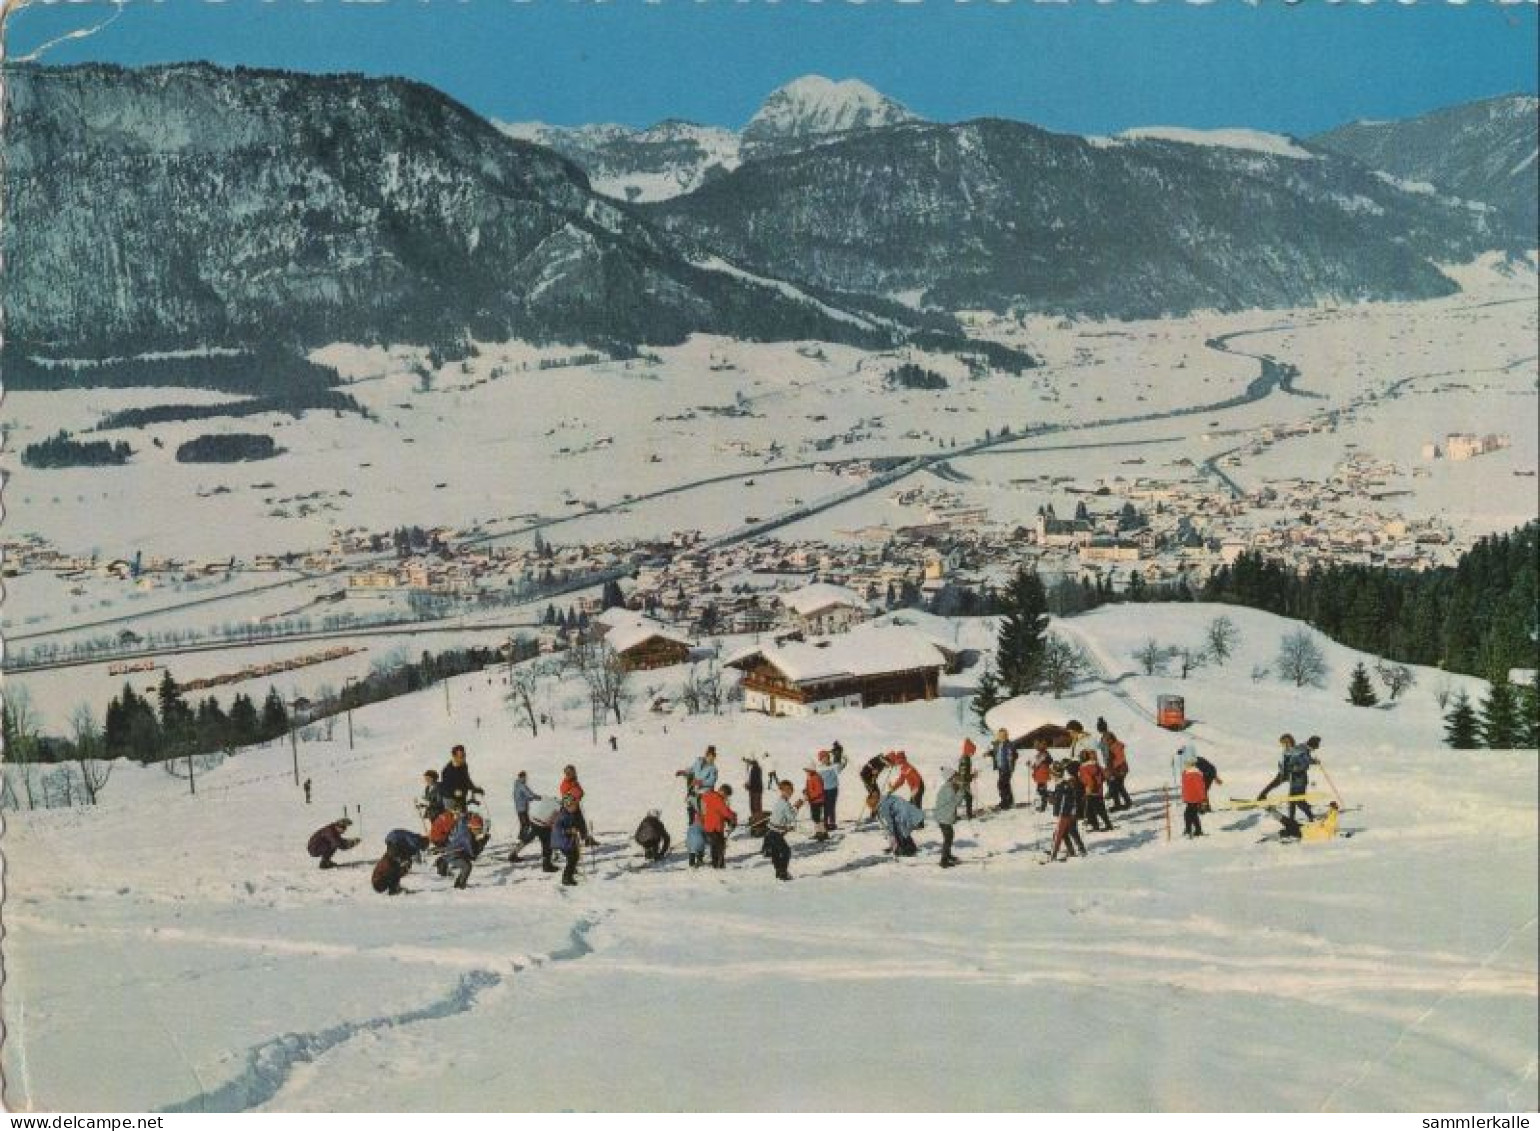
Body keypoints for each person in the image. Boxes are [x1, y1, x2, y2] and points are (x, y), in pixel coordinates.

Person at [1257, 733, 1317, 822]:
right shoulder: (1288, 750)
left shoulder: (1296, 750)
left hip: (1296, 777)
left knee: (1296, 800)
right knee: (1291, 797)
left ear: (1287, 742)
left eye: (1283, 743)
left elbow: (1304, 760)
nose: (1282, 746)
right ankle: (1262, 796)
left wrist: (1311, 761)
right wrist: (1282, 766)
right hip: (1287, 774)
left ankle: (1305, 816)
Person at [434, 811, 488, 890]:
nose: (479, 832)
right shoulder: (468, 838)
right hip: (451, 855)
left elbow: (463, 820)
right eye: (478, 829)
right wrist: (483, 842)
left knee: (466, 864)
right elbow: (474, 854)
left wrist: (468, 815)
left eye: (480, 829)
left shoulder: (464, 827)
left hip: (455, 852)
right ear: (472, 827)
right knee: (467, 866)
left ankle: (458, 883)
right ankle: (461, 885)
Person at [510, 793, 561, 871]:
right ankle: (546, 865)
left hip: (533, 819)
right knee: (547, 843)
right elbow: (552, 822)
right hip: (542, 823)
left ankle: (513, 854)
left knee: (528, 838)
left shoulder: (549, 799)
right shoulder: (559, 808)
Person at [765, 779, 803, 881]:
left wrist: (794, 807)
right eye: (789, 791)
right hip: (775, 832)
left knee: (776, 852)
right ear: (783, 791)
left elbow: (784, 815)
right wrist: (797, 807)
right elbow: (791, 817)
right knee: (786, 851)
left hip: (771, 831)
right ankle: (783, 872)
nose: (791, 793)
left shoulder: (781, 801)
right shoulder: (784, 803)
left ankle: (779, 871)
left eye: (791, 791)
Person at [1046, 764, 1086, 862]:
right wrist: (1051, 797)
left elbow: (1069, 799)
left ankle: (1054, 854)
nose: (1051, 776)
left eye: (1052, 774)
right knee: (1066, 833)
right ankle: (1073, 850)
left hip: (1065, 813)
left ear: (1057, 774)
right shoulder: (1059, 785)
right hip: (1064, 812)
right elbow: (1057, 799)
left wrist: (1070, 811)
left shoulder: (1064, 786)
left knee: (1058, 834)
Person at [699, 783, 738, 869]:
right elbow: (725, 812)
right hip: (715, 827)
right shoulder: (717, 799)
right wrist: (733, 817)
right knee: (719, 846)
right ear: (723, 792)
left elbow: (722, 810)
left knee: (715, 846)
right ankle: (718, 865)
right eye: (727, 796)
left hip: (709, 825)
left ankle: (716, 863)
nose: (726, 798)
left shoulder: (711, 796)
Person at [559, 765, 599, 847]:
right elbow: (566, 799)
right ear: (568, 773)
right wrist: (575, 795)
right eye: (573, 772)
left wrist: (578, 794)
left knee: (581, 823)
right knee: (572, 826)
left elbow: (580, 791)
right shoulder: (565, 784)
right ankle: (570, 844)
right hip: (569, 809)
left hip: (575, 807)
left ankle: (586, 839)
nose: (575, 773)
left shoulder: (574, 782)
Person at [876, 792, 924, 857]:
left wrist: (892, 832)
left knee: (899, 831)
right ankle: (910, 848)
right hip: (909, 813)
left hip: (903, 815)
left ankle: (906, 850)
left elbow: (889, 822)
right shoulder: (887, 799)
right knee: (903, 831)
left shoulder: (883, 806)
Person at [933, 766, 963, 868]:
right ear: (951, 778)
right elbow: (956, 802)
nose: (958, 779)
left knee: (949, 836)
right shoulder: (949, 789)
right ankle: (944, 860)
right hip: (943, 818)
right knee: (948, 838)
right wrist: (961, 791)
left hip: (943, 817)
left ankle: (948, 855)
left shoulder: (948, 787)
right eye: (956, 777)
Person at [1099, 720, 1132, 811]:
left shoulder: (1116, 746)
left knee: (1117, 786)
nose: (1106, 741)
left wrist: (1112, 768)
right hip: (1113, 768)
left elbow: (1120, 759)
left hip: (1120, 768)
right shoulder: (1106, 741)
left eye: (1107, 740)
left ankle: (1126, 803)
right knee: (1115, 786)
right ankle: (1120, 803)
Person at [1078, 750, 1114, 832]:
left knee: (1090, 811)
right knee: (1101, 810)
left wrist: (1089, 788)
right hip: (1099, 790)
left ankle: (1096, 826)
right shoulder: (1096, 765)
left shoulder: (1083, 768)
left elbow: (1089, 780)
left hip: (1091, 792)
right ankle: (1108, 824)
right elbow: (1104, 775)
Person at [551, 795, 583, 886]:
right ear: (567, 805)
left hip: (566, 840)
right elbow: (557, 829)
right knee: (572, 858)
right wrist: (569, 830)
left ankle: (570, 874)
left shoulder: (568, 814)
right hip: (561, 841)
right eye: (573, 805)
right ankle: (566, 878)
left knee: (574, 856)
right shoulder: (562, 815)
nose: (575, 807)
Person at [816, 747, 846, 832]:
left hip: (833, 789)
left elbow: (841, 766)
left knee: (831, 806)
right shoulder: (819, 768)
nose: (825, 759)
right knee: (825, 807)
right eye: (823, 758)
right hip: (823, 790)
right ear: (820, 759)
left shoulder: (834, 766)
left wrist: (841, 756)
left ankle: (832, 823)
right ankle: (825, 823)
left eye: (827, 757)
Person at [1181, 754, 1209, 837]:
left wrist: (1203, 799)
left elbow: (1200, 787)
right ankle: (1197, 830)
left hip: (1195, 797)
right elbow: (1185, 786)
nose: (1185, 765)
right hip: (1189, 797)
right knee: (1192, 814)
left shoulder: (1195, 774)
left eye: (1187, 763)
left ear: (1191, 764)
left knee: (1188, 814)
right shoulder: (1186, 773)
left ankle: (1189, 830)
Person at [990, 729, 1017, 810]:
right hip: (1000, 767)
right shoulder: (997, 744)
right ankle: (1010, 802)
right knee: (1006, 785)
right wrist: (989, 753)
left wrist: (1013, 757)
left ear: (1006, 735)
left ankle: (1005, 803)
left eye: (1004, 735)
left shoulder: (1009, 744)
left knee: (1001, 784)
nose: (1002, 736)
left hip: (1007, 768)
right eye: (1000, 735)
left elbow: (1014, 753)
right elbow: (995, 752)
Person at [858, 752, 889, 821]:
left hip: (867, 776)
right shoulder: (881, 764)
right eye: (889, 764)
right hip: (867, 777)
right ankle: (874, 814)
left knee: (876, 794)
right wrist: (872, 782)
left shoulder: (879, 759)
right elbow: (874, 773)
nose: (889, 766)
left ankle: (875, 813)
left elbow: (873, 772)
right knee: (875, 794)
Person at [513, 771, 540, 840]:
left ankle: (521, 836)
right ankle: (522, 837)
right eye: (524, 777)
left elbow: (525, 795)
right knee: (526, 824)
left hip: (521, 807)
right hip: (522, 807)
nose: (525, 779)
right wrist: (536, 797)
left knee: (524, 823)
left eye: (525, 777)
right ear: (521, 777)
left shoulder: (518, 785)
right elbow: (528, 794)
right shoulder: (521, 786)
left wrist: (530, 797)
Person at [802, 764, 826, 839]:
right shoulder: (810, 777)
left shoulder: (816, 777)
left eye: (807, 770)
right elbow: (809, 787)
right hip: (813, 800)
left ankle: (822, 833)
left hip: (817, 800)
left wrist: (810, 796)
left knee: (817, 817)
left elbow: (819, 791)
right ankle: (819, 832)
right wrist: (805, 791)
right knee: (815, 817)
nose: (806, 772)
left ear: (811, 770)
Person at [1030, 739, 1054, 811]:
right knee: (1041, 790)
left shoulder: (1043, 754)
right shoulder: (1042, 754)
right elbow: (1036, 765)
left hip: (1042, 774)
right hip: (1041, 774)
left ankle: (1048, 800)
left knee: (1041, 790)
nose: (1035, 747)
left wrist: (1031, 765)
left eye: (1037, 745)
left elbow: (1037, 765)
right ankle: (1045, 803)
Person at [957, 737, 977, 820]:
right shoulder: (965, 759)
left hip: (963, 782)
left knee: (961, 798)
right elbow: (964, 773)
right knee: (968, 798)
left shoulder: (964, 757)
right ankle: (969, 815)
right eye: (972, 751)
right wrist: (973, 775)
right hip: (964, 782)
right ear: (969, 750)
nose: (973, 753)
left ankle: (954, 815)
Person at [744, 755, 766, 821]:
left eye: (748, 761)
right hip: (755, 790)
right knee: (754, 806)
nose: (747, 763)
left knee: (755, 807)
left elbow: (755, 781)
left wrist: (748, 786)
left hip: (755, 791)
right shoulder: (754, 768)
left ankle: (757, 821)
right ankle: (756, 819)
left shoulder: (755, 769)